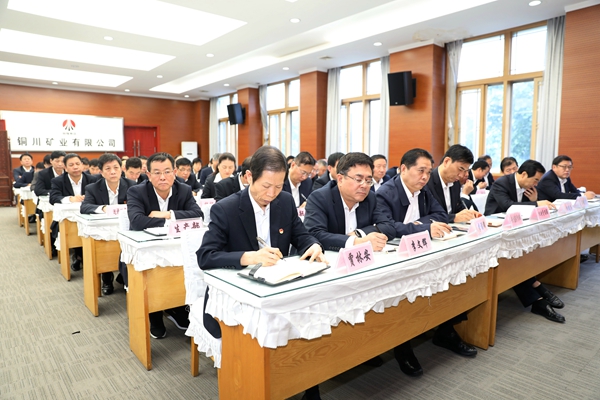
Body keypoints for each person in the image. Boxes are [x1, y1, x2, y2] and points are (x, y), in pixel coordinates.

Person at [197, 145, 325, 400]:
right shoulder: (227, 208)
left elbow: (301, 235)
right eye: (266, 186)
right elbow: (205, 256)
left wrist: (313, 245)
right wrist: (249, 257)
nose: (272, 193)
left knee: (312, 317)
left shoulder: (284, 201)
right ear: (248, 177)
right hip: (237, 297)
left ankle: (308, 382)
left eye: (278, 186)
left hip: (278, 287)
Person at [377, 148, 476, 376]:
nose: (424, 177)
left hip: (421, 250)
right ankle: (402, 346)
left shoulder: (423, 190)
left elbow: (440, 215)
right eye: (420, 171)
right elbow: (387, 227)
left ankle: (445, 328)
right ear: (403, 169)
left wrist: (418, 225)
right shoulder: (385, 192)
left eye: (428, 172)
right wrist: (423, 227)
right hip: (394, 257)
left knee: (452, 279)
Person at [127, 152, 203, 339]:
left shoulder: (183, 189)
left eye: (167, 171)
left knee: (185, 269)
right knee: (154, 277)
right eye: (157, 172)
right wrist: (175, 221)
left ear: (174, 172)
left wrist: (168, 215)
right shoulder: (137, 191)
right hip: (148, 248)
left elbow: (197, 215)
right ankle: (154, 314)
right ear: (148, 174)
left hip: (175, 245)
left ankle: (177, 307)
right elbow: (137, 221)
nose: (163, 177)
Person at [484, 160, 565, 323]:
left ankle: (537, 291)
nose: (536, 184)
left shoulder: (528, 187)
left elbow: (523, 209)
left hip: (514, 229)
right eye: (535, 180)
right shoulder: (501, 183)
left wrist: (534, 200)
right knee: (513, 260)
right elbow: (508, 206)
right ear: (523, 174)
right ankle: (537, 292)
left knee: (521, 257)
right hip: (495, 231)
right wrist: (535, 203)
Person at [304, 152, 395, 251]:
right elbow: (315, 234)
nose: (364, 185)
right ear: (340, 179)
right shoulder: (320, 198)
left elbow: (389, 227)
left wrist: (359, 233)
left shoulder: (370, 198)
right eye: (358, 179)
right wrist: (356, 242)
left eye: (368, 181)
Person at [80, 154, 136, 294]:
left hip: (126, 227)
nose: (113, 172)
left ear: (121, 169)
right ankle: (106, 278)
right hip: (105, 227)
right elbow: (84, 207)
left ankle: (125, 276)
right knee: (103, 250)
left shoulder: (132, 186)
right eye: (108, 168)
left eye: (116, 168)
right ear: (101, 172)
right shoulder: (93, 188)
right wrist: (103, 208)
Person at [49, 153, 99, 271]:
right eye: (71, 165)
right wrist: (70, 199)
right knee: (74, 230)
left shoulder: (92, 179)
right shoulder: (58, 181)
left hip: (89, 216)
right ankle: (78, 256)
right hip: (68, 218)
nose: (75, 167)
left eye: (77, 164)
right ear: (65, 168)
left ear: (82, 165)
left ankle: (84, 257)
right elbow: (53, 198)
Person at [426, 145, 481, 223]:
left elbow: (458, 208)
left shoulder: (455, 183)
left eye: (465, 171)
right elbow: (427, 216)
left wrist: (468, 214)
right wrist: (453, 218)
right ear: (446, 161)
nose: (461, 175)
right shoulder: (427, 181)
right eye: (460, 169)